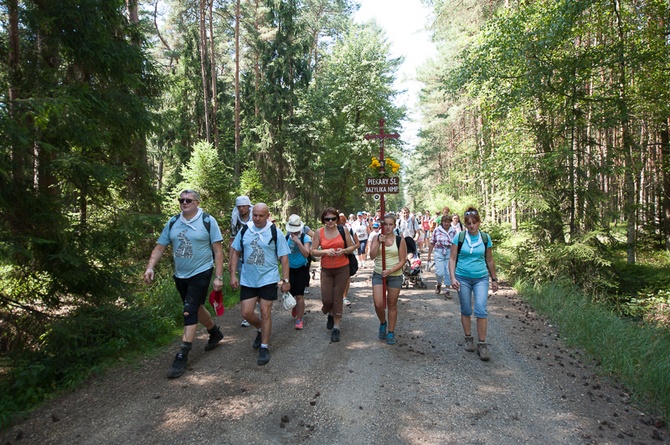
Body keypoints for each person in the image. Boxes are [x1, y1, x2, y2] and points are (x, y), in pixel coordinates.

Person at [144, 189, 225, 379]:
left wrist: (219, 277)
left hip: (201, 271)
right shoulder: (173, 222)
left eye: (188, 200)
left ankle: (182, 355)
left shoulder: (207, 220)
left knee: (189, 310)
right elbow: (160, 247)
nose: (184, 202)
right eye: (181, 200)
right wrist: (150, 267)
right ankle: (214, 332)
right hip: (180, 275)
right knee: (195, 307)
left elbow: (218, 251)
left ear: (197, 202)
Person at [229, 203, 291, 365]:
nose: (257, 218)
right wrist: (233, 275)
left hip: (268, 279)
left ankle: (264, 346)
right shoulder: (245, 230)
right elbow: (235, 252)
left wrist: (285, 280)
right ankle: (260, 329)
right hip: (248, 279)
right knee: (246, 313)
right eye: (255, 215)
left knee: (265, 312)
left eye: (261, 216)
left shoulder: (274, 231)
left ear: (267, 215)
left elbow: (284, 258)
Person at [448, 207, 499, 362]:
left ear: (478, 222)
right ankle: (468, 337)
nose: (471, 226)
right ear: (465, 223)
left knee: (481, 309)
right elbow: (452, 259)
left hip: (481, 278)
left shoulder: (485, 238)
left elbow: (489, 260)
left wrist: (494, 279)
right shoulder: (459, 237)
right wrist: (452, 278)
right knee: (465, 309)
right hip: (462, 277)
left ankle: (482, 343)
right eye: (469, 223)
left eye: (474, 223)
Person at [310, 207, 356, 342]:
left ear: (337, 219)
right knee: (327, 299)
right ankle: (329, 312)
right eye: (327, 219)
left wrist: (344, 251)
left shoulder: (343, 230)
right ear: (323, 219)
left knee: (337, 298)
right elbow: (312, 251)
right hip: (326, 269)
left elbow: (352, 247)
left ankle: (336, 327)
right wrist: (325, 252)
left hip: (342, 268)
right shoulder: (319, 232)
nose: (330, 221)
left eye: (333, 219)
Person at [369, 213, 407, 345]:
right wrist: (379, 242)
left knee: (391, 304)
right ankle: (383, 322)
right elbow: (372, 256)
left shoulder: (399, 240)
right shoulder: (376, 237)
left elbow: (403, 260)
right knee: (378, 303)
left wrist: (391, 270)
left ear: (394, 226)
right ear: (382, 225)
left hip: (394, 274)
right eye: (385, 224)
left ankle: (391, 332)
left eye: (391, 224)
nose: (388, 227)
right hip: (379, 273)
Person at [229, 195, 253, 327]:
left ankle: (258, 310)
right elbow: (232, 240)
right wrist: (230, 260)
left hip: (254, 255)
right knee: (244, 284)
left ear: (249, 206)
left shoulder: (256, 217)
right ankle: (247, 314)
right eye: (239, 207)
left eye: (244, 206)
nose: (242, 209)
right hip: (240, 255)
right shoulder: (235, 220)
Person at [285, 214, 311, 330]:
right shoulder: (286, 238)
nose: (293, 233)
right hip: (289, 268)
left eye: (295, 231)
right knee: (290, 292)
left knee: (299, 295)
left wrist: (298, 242)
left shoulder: (305, 237)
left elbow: (306, 253)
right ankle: (295, 306)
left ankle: (300, 319)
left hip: (301, 268)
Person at [427, 211, 459, 297]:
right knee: (439, 272)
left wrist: (456, 255)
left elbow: (456, 244)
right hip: (439, 251)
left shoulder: (453, 231)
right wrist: (429, 255)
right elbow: (432, 242)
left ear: (450, 222)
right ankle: (439, 283)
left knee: (448, 271)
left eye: (448, 222)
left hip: (449, 251)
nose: (446, 223)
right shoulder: (437, 230)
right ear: (442, 222)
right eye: (445, 222)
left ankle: (447, 289)